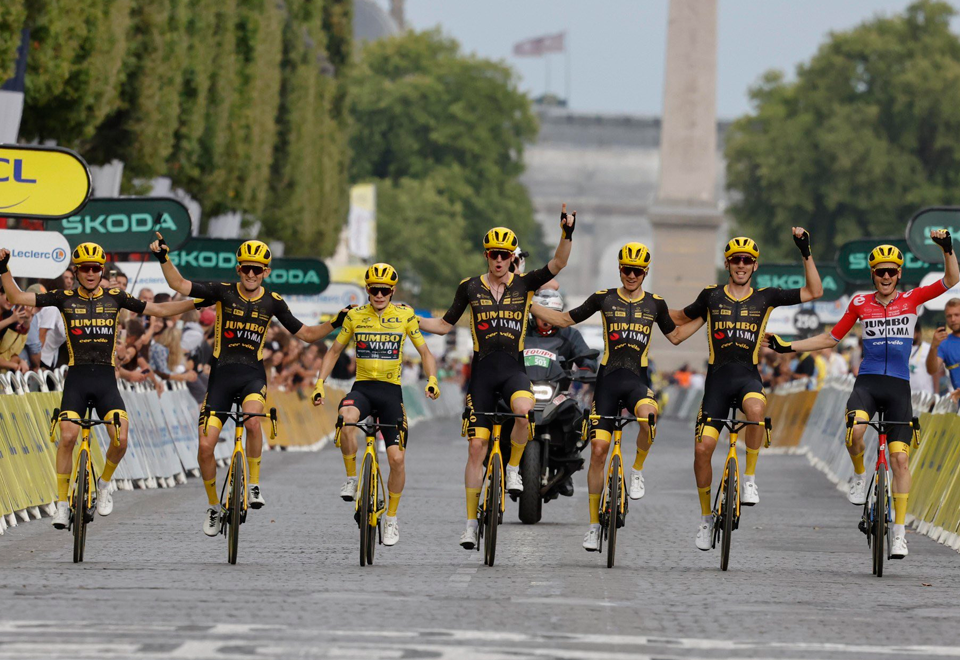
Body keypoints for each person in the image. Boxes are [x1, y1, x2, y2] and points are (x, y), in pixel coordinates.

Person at [768, 231, 958, 559]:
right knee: (855, 431)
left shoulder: (912, 299)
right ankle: (859, 476)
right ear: (873, 274)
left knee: (900, 460)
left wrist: (947, 249)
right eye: (880, 271)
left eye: (891, 271)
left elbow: (951, 279)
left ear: (898, 274)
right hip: (867, 385)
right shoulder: (859, 303)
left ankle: (899, 534)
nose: (886, 276)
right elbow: (830, 338)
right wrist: (788, 346)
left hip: (898, 388)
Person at [150, 234, 348, 536]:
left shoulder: (273, 301)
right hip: (220, 379)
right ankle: (213, 506)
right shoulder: (222, 291)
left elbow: (307, 334)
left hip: (252, 376)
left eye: (257, 269)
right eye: (246, 268)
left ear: (266, 271)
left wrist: (335, 322)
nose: (251, 274)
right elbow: (179, 284)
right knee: (205, 447)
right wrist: (164, 257)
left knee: (254, 422)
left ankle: (253, 483)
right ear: (238, 269)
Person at [0, 242, 199, 528]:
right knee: (68, 437)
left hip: (106, 380)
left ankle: (104, 484)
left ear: (102, 270)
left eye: (95, 268)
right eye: (85, 269)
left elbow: (159, 309)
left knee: (121, 439)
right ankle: (61, 504)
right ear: (76, 272)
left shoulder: (116, 297)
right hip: (77, 379)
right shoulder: (64, 297)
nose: (91, 273)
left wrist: (197, 302)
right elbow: (16, 295)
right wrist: (4, 267)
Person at [418, 204, 576, 549]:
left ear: (512, 258)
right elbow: (443, 325)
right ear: (486, 256)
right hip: (482, 376)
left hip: (513, 372)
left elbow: (558, 262)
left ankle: (514, 468)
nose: (500, 260)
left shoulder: (525, 285)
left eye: (505, 255)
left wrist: (567, 232)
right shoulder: (470, 287)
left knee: (524, 411)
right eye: (494, 254)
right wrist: (409, 319)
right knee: (476, 447)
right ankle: (470, 524)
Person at [530, 242, 697, 550]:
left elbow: (675, 336)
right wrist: (527, 304)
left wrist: (706, 318)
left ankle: (637, 471)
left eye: (637, 271)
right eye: (626, 270)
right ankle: (594, 525)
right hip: (607, 383)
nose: (631, 275)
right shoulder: (603, 298)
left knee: (649, 417)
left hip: (636, 382)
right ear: (620, 270)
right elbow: (564, 320)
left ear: (645, 273)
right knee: (597, 451)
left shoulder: (655, 304)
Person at [670, 229, 823, 551]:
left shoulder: (766, 296)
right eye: (736, 260)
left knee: (756, 410)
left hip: (747, 379)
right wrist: (647, 306)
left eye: (747, 260)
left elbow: (814, 291)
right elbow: (680, 318)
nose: (741, 264)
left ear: (755, 265)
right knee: (702, 450)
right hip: (716, 384)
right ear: (727, 264)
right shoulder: (711, 295)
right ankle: (705, 518)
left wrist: (805, 251)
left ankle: (750, 479)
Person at [312, 263, 440, 547]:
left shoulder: (405, 315)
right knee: (346, 419)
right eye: (374, 290)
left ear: (392, 291)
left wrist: (432, 379)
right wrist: (320, 382)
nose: (379, 295)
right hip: (363, 389)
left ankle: (391, 518)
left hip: (391, 393)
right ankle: (351, 478)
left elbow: (425, 352)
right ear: (367, 290)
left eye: (384, 290)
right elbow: (334, 351)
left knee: (397, 459)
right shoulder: (355, 315)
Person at [524, 288, 597, 498]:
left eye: (553, 314)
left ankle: (567, 466)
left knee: (575, 416)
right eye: (543, 313)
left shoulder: (570, 334)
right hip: (522, 390)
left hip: (557, 393)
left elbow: (587, 358)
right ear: (533, 313)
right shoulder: (521, 332)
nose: (547, 318)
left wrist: (586, 368)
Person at [926, 298, 960, 398]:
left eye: (957, 315)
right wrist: (933, 346)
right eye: (949, 316)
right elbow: (932, 370)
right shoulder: (944, 343)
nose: (953, 319)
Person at [909, 326, 935, 395]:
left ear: (919, 333)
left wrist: (936, 393)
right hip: (908, 393)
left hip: (926, 394)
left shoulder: (928, 348)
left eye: (913, 332)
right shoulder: (903, 349)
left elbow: (935, 373)